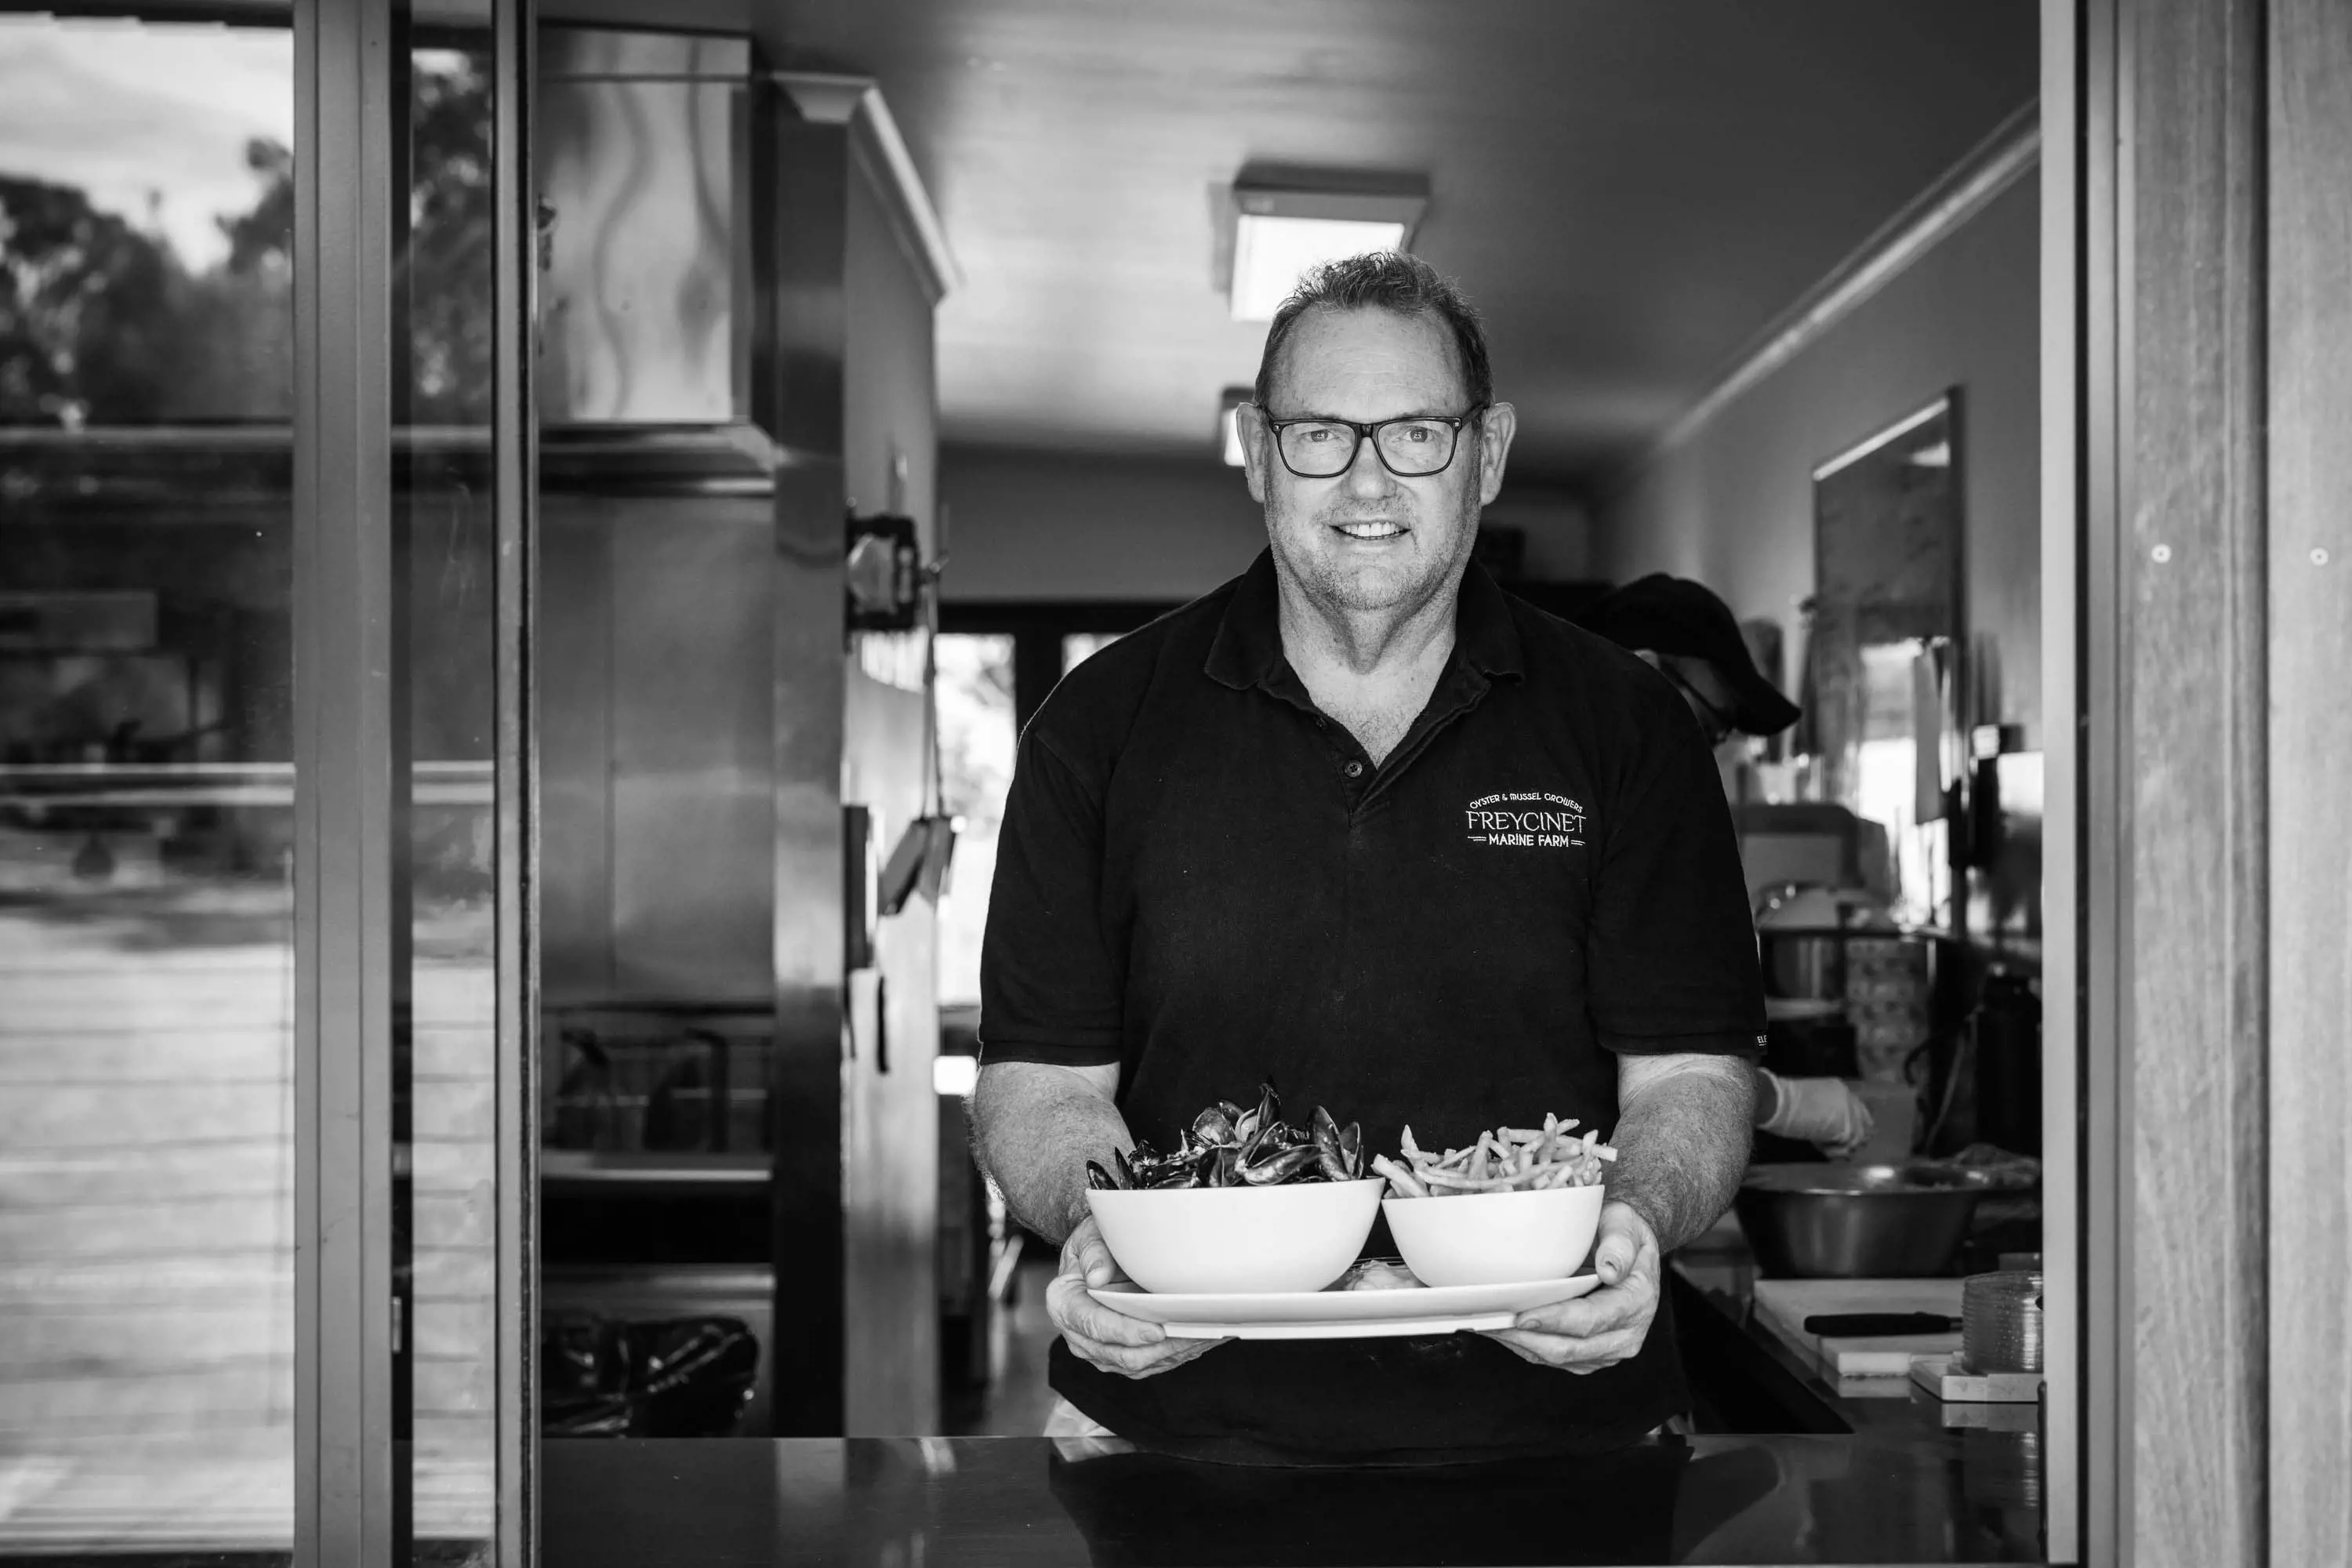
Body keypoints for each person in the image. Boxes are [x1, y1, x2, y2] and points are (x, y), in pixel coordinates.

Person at [971, 252, 1762, 1465]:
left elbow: (1691, 1076)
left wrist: (1635, 1223)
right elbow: (1041, 1083)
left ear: (1487, 453)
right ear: (1256, 447)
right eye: (1321, 435)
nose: (1368, 479)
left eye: (1417, 435)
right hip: (1172, 1431)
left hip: (1557, 1431)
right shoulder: (1099, 725)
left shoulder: (1628, 727)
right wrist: (1098, 1230)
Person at [1577, 575, 1875, 1160]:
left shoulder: (1639, 817)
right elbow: (1581, 1046)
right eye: (1710, 726)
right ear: (1642, 672)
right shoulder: (1557, 819)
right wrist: (1773, 1102)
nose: (1706, 753)